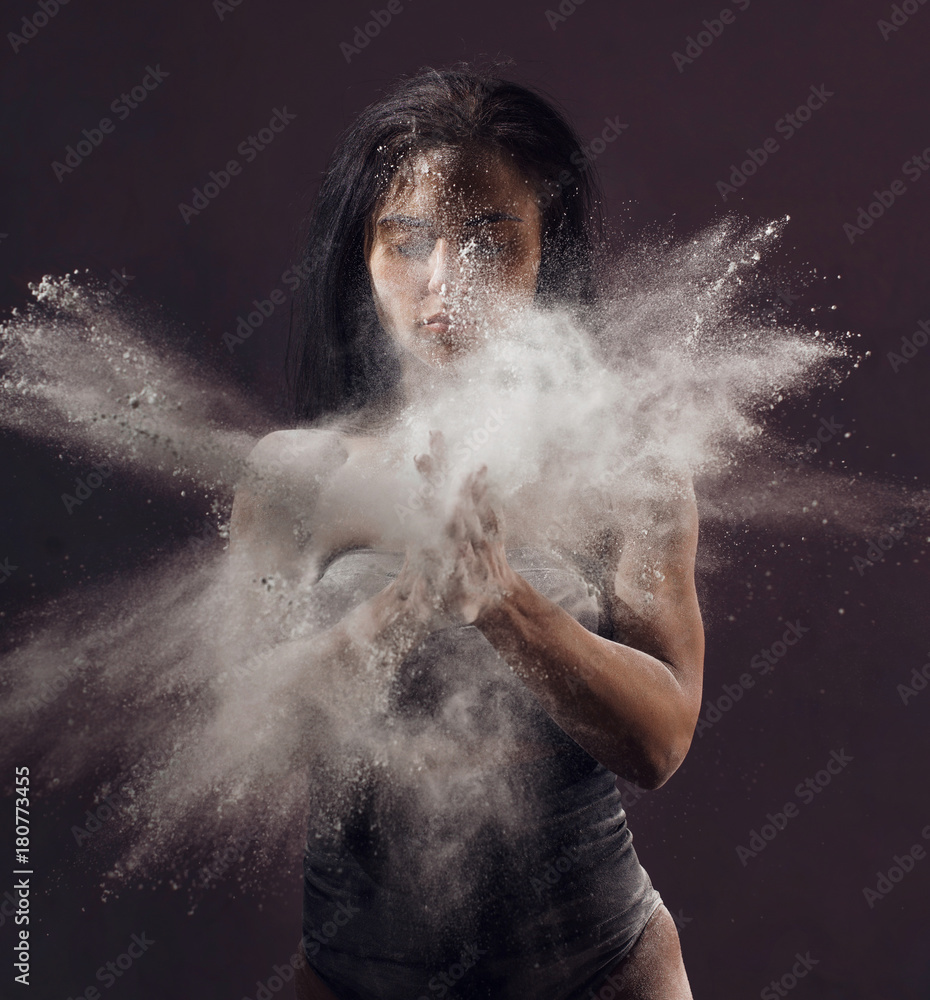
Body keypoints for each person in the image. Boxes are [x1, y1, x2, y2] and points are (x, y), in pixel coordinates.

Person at [229, 65, 703, 1000]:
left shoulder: (628, 474)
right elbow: (245, 737)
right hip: (354, 978)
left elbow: (661, 745)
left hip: (602, 973)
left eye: (492, 237)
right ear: (361, 258)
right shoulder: (292, 478)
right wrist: (405, 607)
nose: (445, 280)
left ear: (545, 250)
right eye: (408, 239)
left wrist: (509, 608)